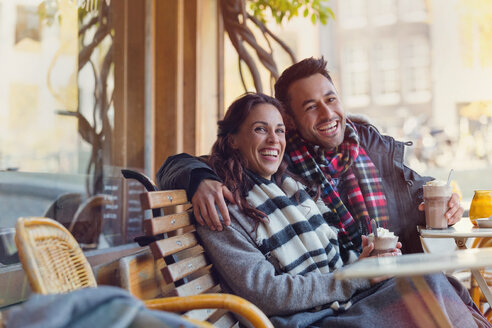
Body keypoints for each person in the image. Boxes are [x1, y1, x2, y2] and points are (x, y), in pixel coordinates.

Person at [191, 92, 488, 328]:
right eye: (260, 129)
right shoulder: (222, 205)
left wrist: (364, 260)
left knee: (432, 279)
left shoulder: (292, 188)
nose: (273, 140)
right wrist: (356, 276)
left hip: (338, 304)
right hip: (309, 319)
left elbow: (334, 258)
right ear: (232, 139)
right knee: (428, 291)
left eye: (279, 130)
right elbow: (267, 292)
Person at [157, 57, 464, 254]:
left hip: (403, 269)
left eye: (331, 99)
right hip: (353, 285)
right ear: (289, 119)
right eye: (311, 106)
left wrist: (447, 205)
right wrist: (199, 178)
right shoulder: (277, 156)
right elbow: (179, 164)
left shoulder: (369, 141)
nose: (328, 113)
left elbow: (416, 189)